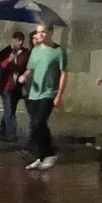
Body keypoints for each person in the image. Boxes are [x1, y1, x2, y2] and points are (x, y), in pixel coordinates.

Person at [20, 23, 68, 170]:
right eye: (38, 32)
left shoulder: (58, 51)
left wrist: (59, 94)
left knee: (38, 122)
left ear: (51, 33)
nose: (40, 35)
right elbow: (30, 69)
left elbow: (64, 74)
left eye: (43, 32)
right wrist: (24, 76)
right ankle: (41, 157)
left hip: (48, 92)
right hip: (34, 93)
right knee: (37, 125)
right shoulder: (35, 50)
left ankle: (50, 153)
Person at [0, 29, 29, 141]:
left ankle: (2, 131)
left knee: (10, 109)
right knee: (9, 109)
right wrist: (9, 61)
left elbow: (23, 67)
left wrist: (13, 65)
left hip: (16, 87)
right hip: (5, 85)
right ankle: (11, 133)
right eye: (18, 41)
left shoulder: (25, 52)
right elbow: (1, 66)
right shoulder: (4, 52)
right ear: (13, 40)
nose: (19, 43)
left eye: (21, 41)